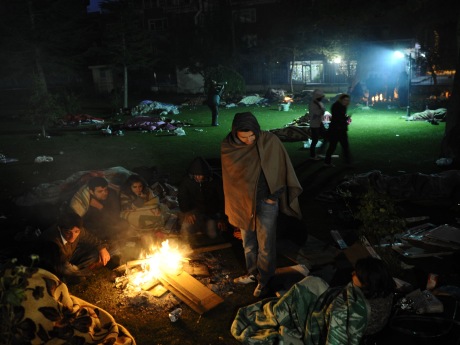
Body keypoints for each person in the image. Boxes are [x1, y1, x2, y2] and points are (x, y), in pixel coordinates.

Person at [221, 112, 303, 297]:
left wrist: (274, 197)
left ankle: (264, 280)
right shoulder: (229, 146)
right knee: (248, 243)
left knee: (265, 244)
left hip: (266, 201)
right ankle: (251, 273)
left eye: (252, 136)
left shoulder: (269, 141)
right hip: (243, 203)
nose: (249, 140)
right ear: (235, 134)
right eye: (244, 137)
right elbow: (231, 179)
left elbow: (282, 168)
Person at [231, 256, 395, 344]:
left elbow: (338, 331)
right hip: (327, 304)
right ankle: (283, 307)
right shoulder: (384, 290)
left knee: (303, 290)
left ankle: (279, 312)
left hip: (319, 320)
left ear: (367, 282)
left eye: (356, 274)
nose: (352, 274)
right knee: (312, 282)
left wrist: (320, 310)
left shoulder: (353, 309)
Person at [40, 210, 112, 283]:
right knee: (77, 277)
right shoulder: (52, 242)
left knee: (95, 253)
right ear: (59, 229)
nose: (72, 237)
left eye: (76, 232)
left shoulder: (77, 230)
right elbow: (58, 266)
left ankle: (77, 272)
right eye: (68, 232)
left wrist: (102, 248)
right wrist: (84, 273)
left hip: (68, 255)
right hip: (54, 264)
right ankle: (69, 277)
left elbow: (90, 238)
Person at [178, 157, 225, 241]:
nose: (198, 177)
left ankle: (214, 249)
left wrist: (222, 217)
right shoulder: (186, 181)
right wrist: (187, 212)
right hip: (194, 212)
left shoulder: (216, 181)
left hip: (212, 212)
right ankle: (185, 248)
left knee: (213, 234)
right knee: (185, 229)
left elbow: (223, 199)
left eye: (200, 175)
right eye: (196, 175)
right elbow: (182, 197)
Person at [324, 94, 352, 167]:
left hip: (341, 130)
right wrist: (345, 119)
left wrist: (345, 118)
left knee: (345, 147)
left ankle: (347, 162)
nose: (346, 102)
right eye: (345, 100)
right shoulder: (336, 106)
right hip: (335, 131)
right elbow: (337, 118)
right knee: (332, 147)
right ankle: (327, 162)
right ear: (341, 100)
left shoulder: (342, 106)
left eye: (347, 100)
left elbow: (340, 117)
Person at [308, 89, 326, 160]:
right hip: (314, 124)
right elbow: (319, 112)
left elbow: (323, 111)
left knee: (326, 137)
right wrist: (322, 110)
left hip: (319, 123)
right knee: (315, 140)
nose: (322, 98)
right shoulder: (312, 104)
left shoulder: (319, 103)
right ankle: (312, 155)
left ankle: (319, 152)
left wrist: (322, 110)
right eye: (320, 96)